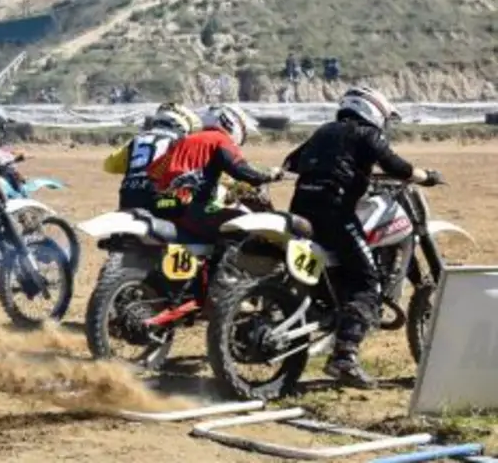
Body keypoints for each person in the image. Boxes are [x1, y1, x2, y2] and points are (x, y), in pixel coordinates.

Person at [282, 86, 442, 388]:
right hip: (334, 212)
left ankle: (336, 318)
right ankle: (345, 356)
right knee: (367, 281)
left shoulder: (324, 130)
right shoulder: (367, 134)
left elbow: (291, 163)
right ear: (374, 111)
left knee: (345, 267)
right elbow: (398, 166)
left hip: (302, 207)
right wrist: (427, 177)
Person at [146, 103, 283, 239]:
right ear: (230, 122)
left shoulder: (184, 141)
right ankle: (226, 259)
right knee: (244, 224)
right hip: (189, 209)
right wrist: (268, 175)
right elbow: (240, 170)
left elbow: (152, 171)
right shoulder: (219, 139)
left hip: (162, 206)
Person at [103, 103, 200, 211]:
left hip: (127, 197)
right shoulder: (180, 142)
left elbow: (109, 166)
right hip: (157, 201)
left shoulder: (138, 139)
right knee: (190, 206)